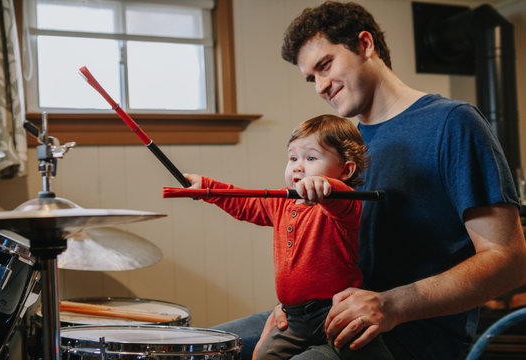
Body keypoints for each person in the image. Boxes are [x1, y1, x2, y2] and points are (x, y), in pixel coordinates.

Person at [213, 1, 526, 359]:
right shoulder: (342, 150)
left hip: (405, 335)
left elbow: (508, 262)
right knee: (207, 346)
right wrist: (294, 307)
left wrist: (391, 305)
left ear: (365, 44)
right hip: (321, 317)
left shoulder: (453, 124)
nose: (320, 86)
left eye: (325, 65)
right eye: (311, 77)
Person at [186, 115, 390, 359]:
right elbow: (244, 203)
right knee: (262, 356)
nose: (298, 166)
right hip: (293, 318)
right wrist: (207, 187)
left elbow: (337, 195)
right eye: (293, 158)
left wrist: (322, 184)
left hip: (338, 311)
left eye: (311, 158)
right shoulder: (282, 202)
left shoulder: (344, 203)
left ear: (346, 169)